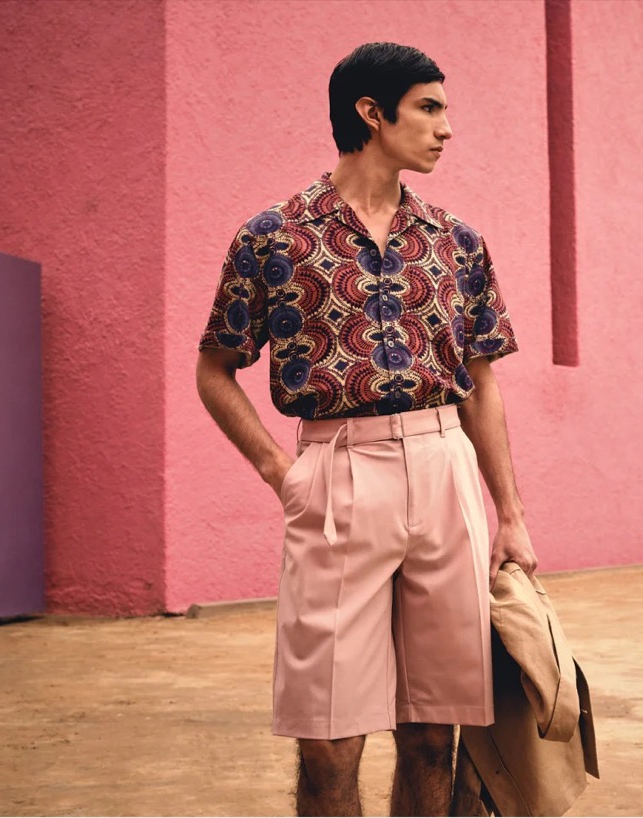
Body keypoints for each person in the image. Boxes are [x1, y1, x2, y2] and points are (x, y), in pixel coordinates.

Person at [195, 41, 538, 817]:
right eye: (430, 107)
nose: (447, 128)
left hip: (444, 467)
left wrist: (509, 514)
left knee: (434, 733)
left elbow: (482, 381)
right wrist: (279, 473)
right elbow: (215, 368)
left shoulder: (458, 241)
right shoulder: (274, 237)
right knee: (327, 739)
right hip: (336, 473)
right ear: (371, 114)